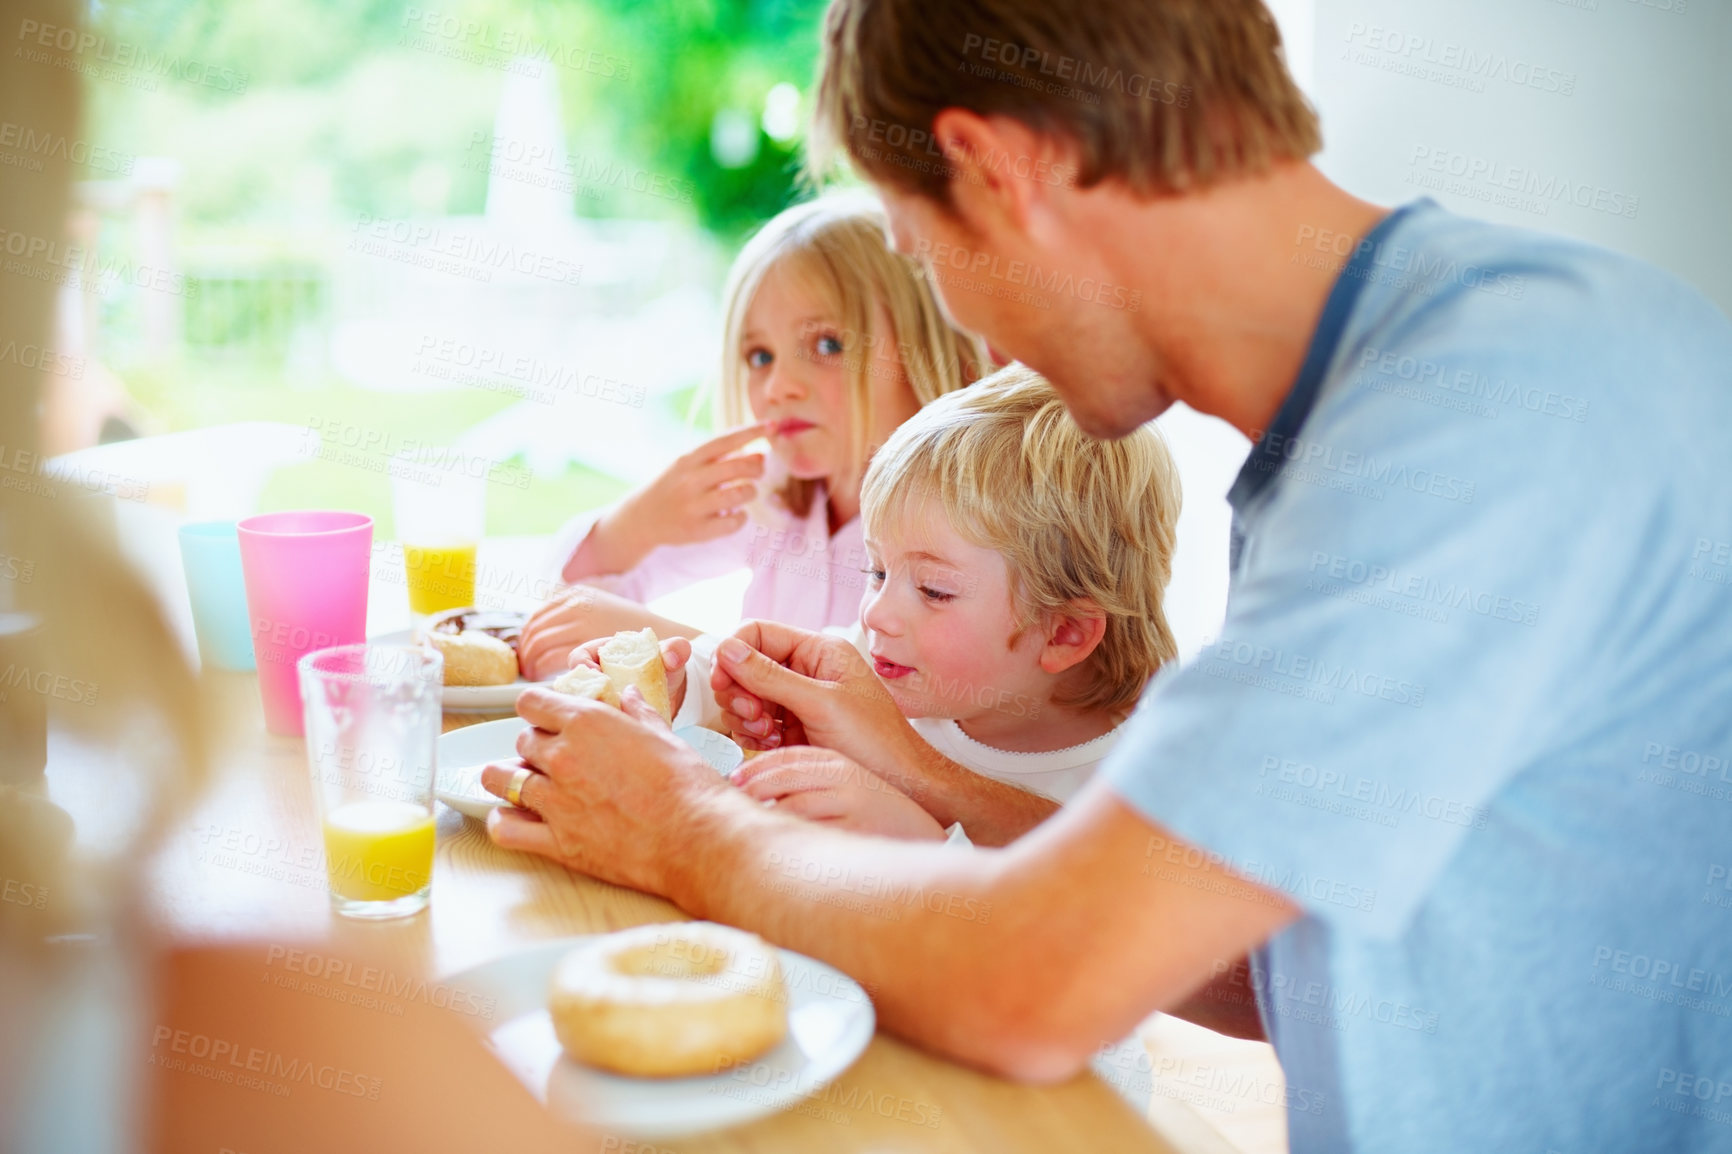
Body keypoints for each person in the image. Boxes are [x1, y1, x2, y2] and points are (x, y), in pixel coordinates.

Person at [481, 2, 1732, 1151]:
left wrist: (688, 829)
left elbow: (1038, 987)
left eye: (923, 254)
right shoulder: (1376, 409)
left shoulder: (1475, 420)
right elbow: (1271, 955)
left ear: (1003, 171)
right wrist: (920, 768)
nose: (966, 327)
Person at [568, 366, 1183, 842]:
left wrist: (921, 840)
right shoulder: (880, 662)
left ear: (1065, 634)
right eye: (877, 570)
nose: (877, 614)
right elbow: (775, 685)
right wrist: (686, 684)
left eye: (934, 591)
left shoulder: (1139, 783)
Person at [516, 193, 987, 679]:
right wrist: (636, 524)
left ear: (929, 352)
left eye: (826, 344)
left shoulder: (961, 527)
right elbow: (568, 600)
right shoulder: (770, 496)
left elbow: (873, 699)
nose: (778, 386)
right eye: (760, 356)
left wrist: (673, 643)